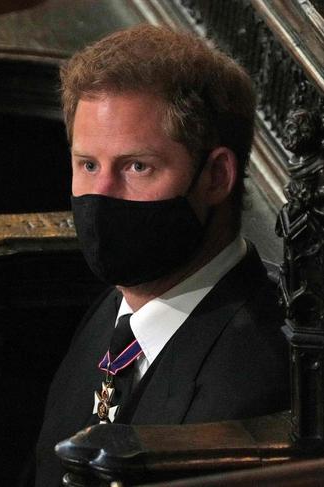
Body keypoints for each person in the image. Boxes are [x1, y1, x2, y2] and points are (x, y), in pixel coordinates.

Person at [35, 24, 290, 486]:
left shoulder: (252, 387)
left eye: (137, 167)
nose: (101, 196)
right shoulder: (116, 311)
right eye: (88, 165)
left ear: (215, 177)